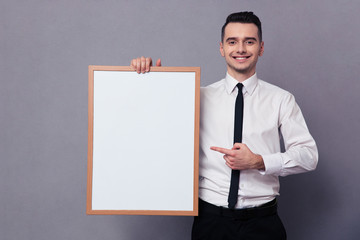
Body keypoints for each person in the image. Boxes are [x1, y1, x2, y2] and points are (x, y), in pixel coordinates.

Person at [130, 11, 318, 240]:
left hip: (263, 223)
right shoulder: (196, 97)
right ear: (222, 48)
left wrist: (258, 161)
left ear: (261, 48)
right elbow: (154, 127)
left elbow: (308, 155)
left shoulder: (281, 99)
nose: (241, 49)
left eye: (249, 41)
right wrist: (150, 79)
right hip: (211, 222)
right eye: (232, 41)